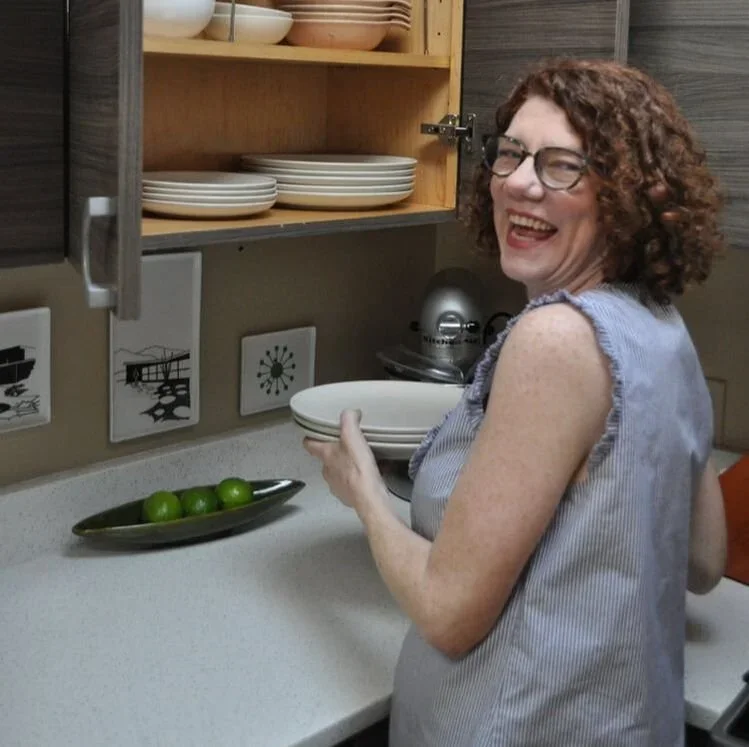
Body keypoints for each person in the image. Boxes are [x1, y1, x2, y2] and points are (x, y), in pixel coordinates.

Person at [304, 58, 728, 746]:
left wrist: (365, 496)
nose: (520, 184)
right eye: (511, 154)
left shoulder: (554, 339)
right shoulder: (658, 323)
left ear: (626, 194)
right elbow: (704, 561)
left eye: (564, 165)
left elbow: (448, 611)